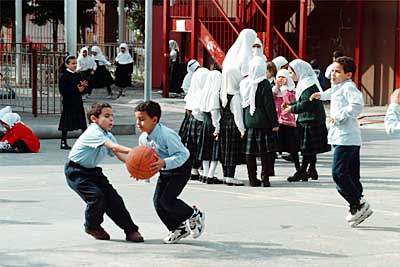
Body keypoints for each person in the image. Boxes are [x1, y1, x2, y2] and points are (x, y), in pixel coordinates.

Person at [64, 103, 144, 242]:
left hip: (93, 172)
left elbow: (119, 155)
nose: (111, 119)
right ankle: (92, 226)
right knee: (97, 197)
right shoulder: (93, 132)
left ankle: (131, 230)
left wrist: (136, 167)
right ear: (94, 119)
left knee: (114, 199)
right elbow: (113, 146)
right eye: (106, 116)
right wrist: (137, 152)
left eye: (112, 116)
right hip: (76, 172)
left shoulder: (108, 135)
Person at [310, 56, 373, 227]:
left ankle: (358, 203)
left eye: (337, 72)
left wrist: (338, 117)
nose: (333, 75)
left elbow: (357, 105)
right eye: (332, 71)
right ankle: (357, 204)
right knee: (351, 173)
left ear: (349, 75)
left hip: (347, 137)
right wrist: (321, 95)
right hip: (341, 137)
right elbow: (332, 93)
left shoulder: (349, 88)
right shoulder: (339, 87)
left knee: (338, 173)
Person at [135, 101, 205, 244]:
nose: (138, 123)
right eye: (137, 119)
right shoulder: (143, 139)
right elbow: (146, 158)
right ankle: (178, 228)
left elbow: (183, 155)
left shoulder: (167, 135)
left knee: (167, 200)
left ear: (154, 120)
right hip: (165, 170)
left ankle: (194, 214)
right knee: (157, 203)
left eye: (142, 119)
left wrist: (164, 162)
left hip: (181, 169)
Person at [283, 59, 331, 182]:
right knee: (310, 148)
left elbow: (305, 104)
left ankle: (302, 171)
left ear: (299, 71)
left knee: (306, 148)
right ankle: (311, 169)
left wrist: (291, 109)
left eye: (291, 72)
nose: (290, 75)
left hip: (310, 120)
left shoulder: (308, 85)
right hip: (312, 119)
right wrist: (292, 104)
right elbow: (302, 101)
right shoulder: (306, 82)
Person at [240, 56, 279, 187]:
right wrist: (274, 123)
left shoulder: (244, 83)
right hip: (264, 122)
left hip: (248, 121)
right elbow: (269, 105)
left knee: (250, 153)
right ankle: (265, 178)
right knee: (265, 152)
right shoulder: (264, 83)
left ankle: (252, 178)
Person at [179, 62, 209, 181]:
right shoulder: (204, 92)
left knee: (191, 145)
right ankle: (200, 169)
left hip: (191, 121)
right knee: (200, 146)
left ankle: (194, 170)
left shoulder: (193, 91)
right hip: (201, 122)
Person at [219, 67, 246, 186]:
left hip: (223, 122)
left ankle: (225, 174)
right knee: (232, 150)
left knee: (225, 150)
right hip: (232, 124)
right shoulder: (235, 96)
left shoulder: (222, 93)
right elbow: (238, 115)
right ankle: (230, 175)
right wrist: (242, 129)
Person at [272, 69, 300, 177]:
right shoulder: (276, 90)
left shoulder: (291, 90)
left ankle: (298, 168)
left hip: (288, 123)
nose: (280, 79)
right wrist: (276, 88)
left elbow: (288, 100)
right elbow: (271, 98)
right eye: (278, 77)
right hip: (277, 122)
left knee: (292, 148)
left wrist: (283, 88)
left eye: (283, 77)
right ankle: (271, 170)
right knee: (274, 148)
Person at [197, 70, 224, 184]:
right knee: (214, 151)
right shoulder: (215, 94)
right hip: (213, 124)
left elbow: (198, 111)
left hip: (205, 123)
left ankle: (205, 173)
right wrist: (217, 128)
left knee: (205, 150)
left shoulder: (204, 93)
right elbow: (215, 113)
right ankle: (210, 175)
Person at [58, 55, 88, 150]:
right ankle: (63, 142)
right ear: (67, 64)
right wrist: (76, 89)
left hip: (77, 101)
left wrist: (84, 86)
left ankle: (86, 141)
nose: (75, 65)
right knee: (66, 123)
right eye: (73, 63)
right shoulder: (64, 76)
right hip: (68, 102)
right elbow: (63, 90)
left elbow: (82, 86)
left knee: (82, 122)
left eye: (76, 63)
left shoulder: (77, 75)